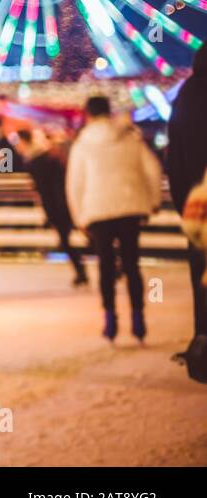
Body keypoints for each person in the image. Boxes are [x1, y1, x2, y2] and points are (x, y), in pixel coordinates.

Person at [65, 96, 163, 343]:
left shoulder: (83, 144)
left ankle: (110, 319)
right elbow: (153, 169)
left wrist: (79, 217)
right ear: (109, 112)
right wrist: (152, 201)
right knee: (132, 264)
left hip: (98, 211)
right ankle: (138, 318)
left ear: (87, 114)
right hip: (130, 208)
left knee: (105, 266)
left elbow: (75, 183)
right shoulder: (130, 138)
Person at [164, 45, 207, 354]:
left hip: (198, 209)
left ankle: (203, 342)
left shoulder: (185, 98)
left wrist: (185, 208)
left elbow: (174, 162)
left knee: (202, 281)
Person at [18, 127, 87, 286]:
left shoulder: (37, 160)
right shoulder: (43, 157)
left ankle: (85, 270)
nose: (17, 147)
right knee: (77, 237)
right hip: (64, 202)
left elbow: (45, 188)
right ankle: (85, 270)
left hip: (60, 205)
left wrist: (52, 210)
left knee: (69, 239)